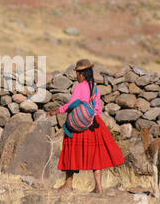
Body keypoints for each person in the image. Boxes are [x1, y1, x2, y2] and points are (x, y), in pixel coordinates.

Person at [48, 59, 125, 193]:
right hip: (94, 124)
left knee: (71, 151)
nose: (77, 76)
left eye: (78, 73)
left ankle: (68, 184)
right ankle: (98, 187)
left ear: (82, 74)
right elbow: (98, 109)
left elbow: (72, 104)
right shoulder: (95, 88)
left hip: (79, 126)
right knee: (96, 155)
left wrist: (58, 110)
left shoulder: (79, 87)